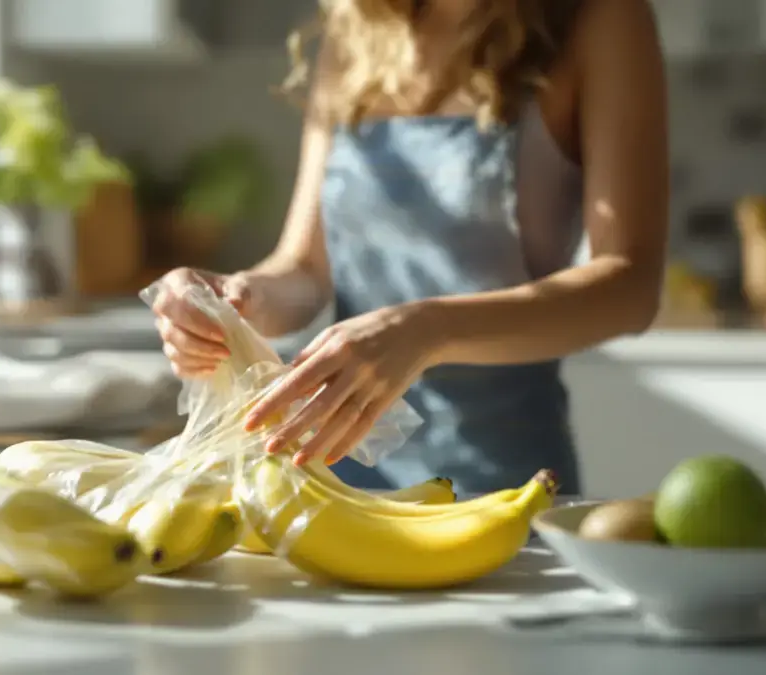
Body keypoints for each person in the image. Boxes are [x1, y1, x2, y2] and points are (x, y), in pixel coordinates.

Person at [150, 0, 668, 496]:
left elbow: (630, 288)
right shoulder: (355, 29)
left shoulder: (597, 17)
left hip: (503, 483)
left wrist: (427, 330)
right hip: (334, 474)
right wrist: (237, 299)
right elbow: (305, 268)